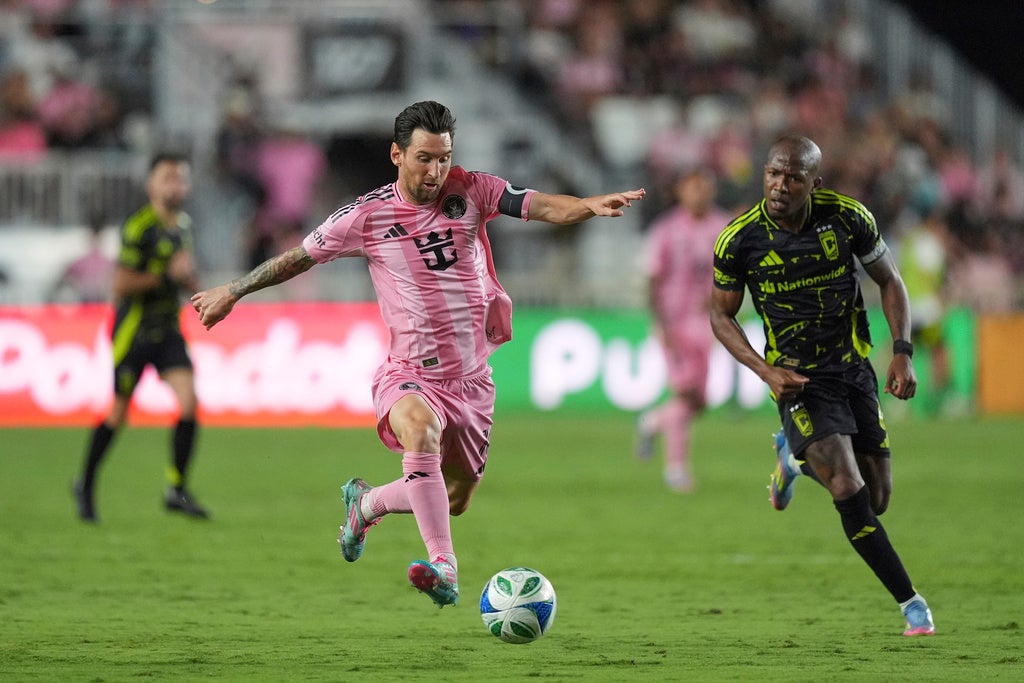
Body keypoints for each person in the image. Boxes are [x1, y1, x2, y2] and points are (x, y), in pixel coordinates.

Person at [191, 101, 644, 609]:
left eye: (444, 158)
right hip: (409, 374)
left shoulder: (473, 190)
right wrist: (234, 290)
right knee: (419, 428)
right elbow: (297, 258)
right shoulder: (365, 217)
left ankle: (367, 504)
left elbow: (541, 206)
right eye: (424, 158)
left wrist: (588, 205)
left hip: (472, 380)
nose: (436, 171)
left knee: (454, 499)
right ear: (397, 155)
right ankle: (444, 566)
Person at [709, 135, 935, 636]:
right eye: (773, 174)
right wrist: (765, 372)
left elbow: (890, 280)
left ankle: (792, 460)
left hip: (853, 369)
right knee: (847, 487)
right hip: (797, 379)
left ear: (815, 183)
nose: (779, 185)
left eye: (793, 177)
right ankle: (911, 603)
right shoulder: (739, 239)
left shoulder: (848, 217)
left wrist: (902, 351)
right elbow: (721, 316)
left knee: (876, 499)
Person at [73, 152, 208, 523]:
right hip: (134, 331)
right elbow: (120, 284)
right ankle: (85, 482)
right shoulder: (139, 227)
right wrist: (167, 275)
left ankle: (176, 489)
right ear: (151, 185)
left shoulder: (184, 226)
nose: (175, 186)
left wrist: (198, 290)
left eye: (180, 179)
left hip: (168, 329)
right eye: (168, 178)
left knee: (189, 402)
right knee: (118, 413)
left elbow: (182, 275)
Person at [636, 166, 733, 492]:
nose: (699, 193)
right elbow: (652, 279)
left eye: (704, 187)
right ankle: (676, 469)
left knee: (699, 402)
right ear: (680, 192)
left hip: (708, 325)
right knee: (686, 394)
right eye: (693, 187)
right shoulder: (666, 230)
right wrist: (660, 323)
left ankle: (653, 422)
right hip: (675, 323)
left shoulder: (724, 227)